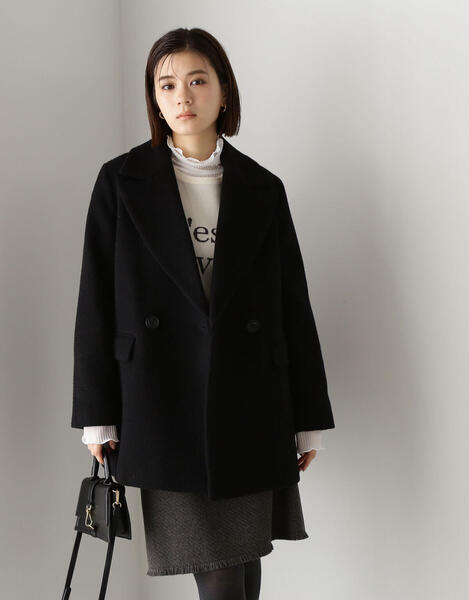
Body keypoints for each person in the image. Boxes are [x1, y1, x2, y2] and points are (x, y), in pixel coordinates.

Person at [72, 27, 335, 600]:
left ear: (223, 90)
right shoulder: (121, 181)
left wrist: (308, 415)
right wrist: (98, 415)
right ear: (153, 97)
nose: (182, 97)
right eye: (166, 84)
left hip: (251, 402)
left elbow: (293, 304)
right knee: (219, 576)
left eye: (197, 81)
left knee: (245, 561)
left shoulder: (262, 187)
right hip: (162, 404)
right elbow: (95, 300)